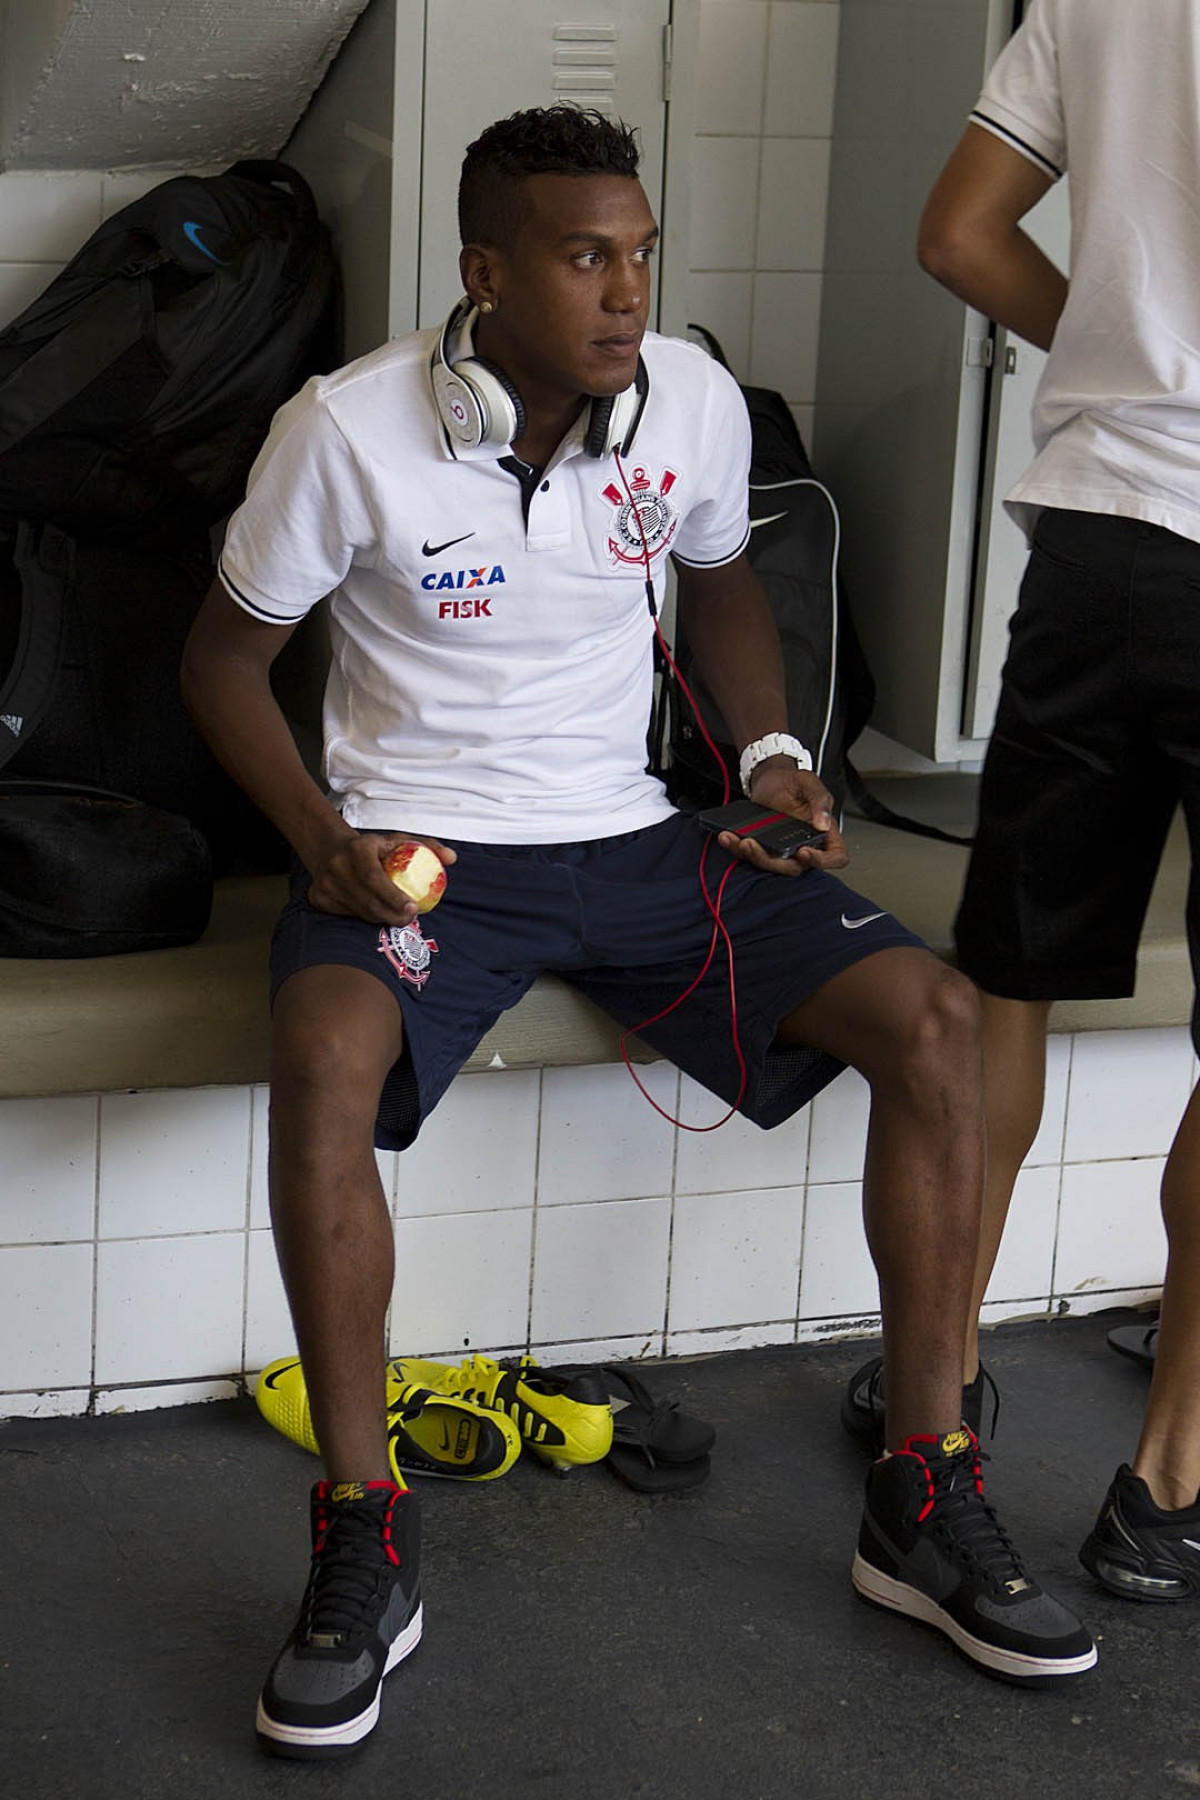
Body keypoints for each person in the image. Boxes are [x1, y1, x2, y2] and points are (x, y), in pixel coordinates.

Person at [182, 104, 1095, 1759]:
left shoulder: (685, 400)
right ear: (484, 271)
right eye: (587, 256)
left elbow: (723, 574)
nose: (626, 293)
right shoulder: (347, 430)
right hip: (427, 859)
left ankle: (925, 1482)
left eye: (642, 253)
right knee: (322, 1059)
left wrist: (769, 756)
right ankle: (361, 1538)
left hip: (639, 843)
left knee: (942, 1023)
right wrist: (324, 844)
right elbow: (222, 663)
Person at [902, 0, 1200, 1605]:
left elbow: (960, 233)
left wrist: (1120, 345)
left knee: (1007, 983)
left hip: (1096, 536)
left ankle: (933, 1400)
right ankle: (1166, 1480)